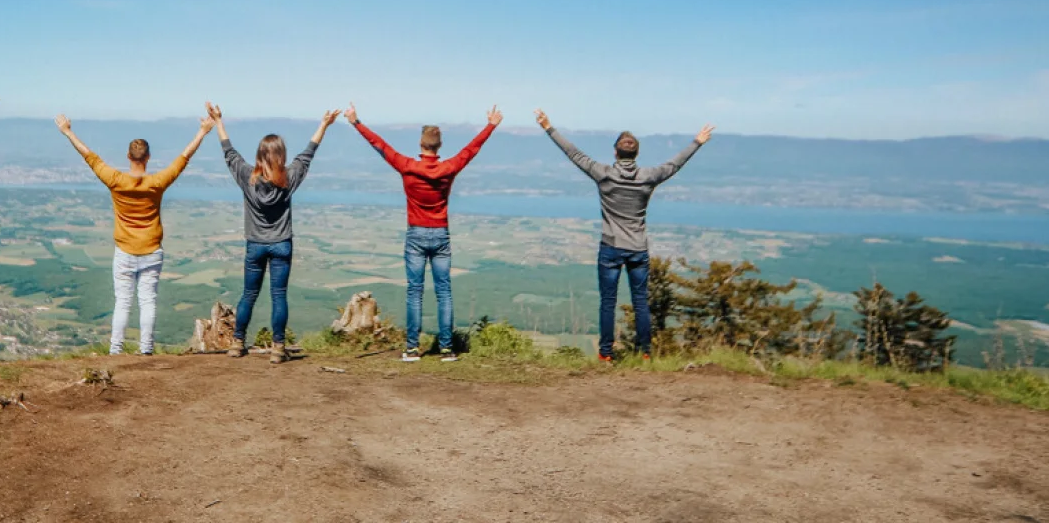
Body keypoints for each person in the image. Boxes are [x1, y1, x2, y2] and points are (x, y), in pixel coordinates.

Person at [535, 110, 714, 361]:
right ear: (636, 154)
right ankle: (645, 354)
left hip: (610, 246)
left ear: (615, 153)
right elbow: (675, 164)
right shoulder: (648, 177)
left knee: (608, 302)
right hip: (638, 249)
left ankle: (606, 353)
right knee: (641, 302)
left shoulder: (604, 174)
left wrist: (548, 127)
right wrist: (697, 142)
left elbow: (574, 154)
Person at [347, 103, 501, 362]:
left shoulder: (407, 166)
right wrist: (491, 125)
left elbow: (380, 146)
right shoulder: (449, 168)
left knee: (414, 291)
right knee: (444, 292)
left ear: (421, 145)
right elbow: (471, 150)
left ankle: (411, 349)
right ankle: (447, 348)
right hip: (441, 234)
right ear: (439, 146)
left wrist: (356, 122)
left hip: (416, 235)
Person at [56, 111, 215, 355]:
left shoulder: (116, 180)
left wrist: (67, 132)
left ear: (128, 156)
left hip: (124, 252)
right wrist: (202, 132)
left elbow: (89, 156)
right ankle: (146, 350)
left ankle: (116, 351)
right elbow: (183, 158)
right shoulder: (157, 182)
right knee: (148, 301)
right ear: (148, 157)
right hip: (152, 250)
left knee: (123, 302)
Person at [209, 103, 339, 364]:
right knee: (278, 295)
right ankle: (278, 348)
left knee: (249, 295)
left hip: (255, 244)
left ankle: (237, 343)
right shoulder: (290, 177)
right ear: (281, 155)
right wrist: (323, 125)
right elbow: (308, 154)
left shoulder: (248, 176)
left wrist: (218, 122)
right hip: (281, 244)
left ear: (259, 155)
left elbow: (229, 153)